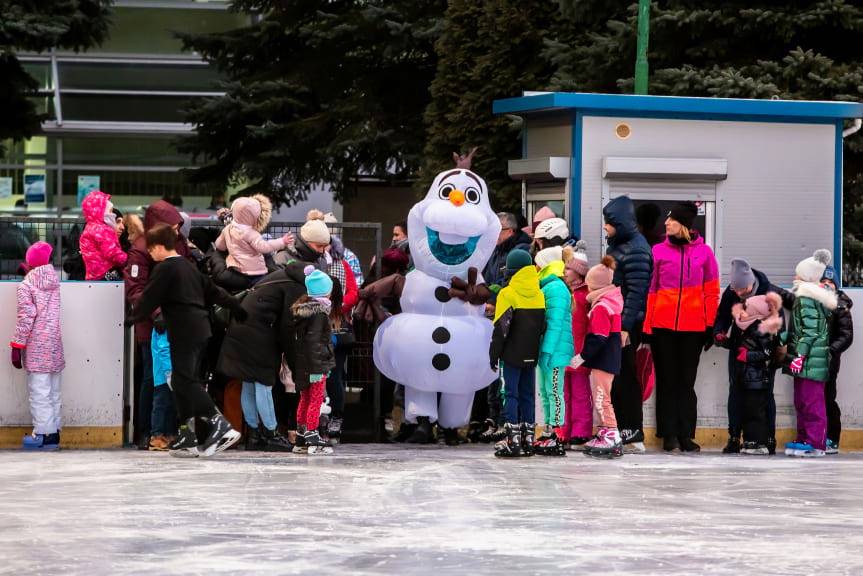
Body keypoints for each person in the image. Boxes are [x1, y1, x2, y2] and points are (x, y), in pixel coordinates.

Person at [127, 223, 246, 458]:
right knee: (183, 382)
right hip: (200, 330)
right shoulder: (188, 266)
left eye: (151, 248)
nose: (150, 253)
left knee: (184, 381)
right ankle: (187, 436)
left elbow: (149, 298)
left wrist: (131, 319)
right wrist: (237, 307)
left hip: (184, 331)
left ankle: (218, 423)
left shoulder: (165, 269)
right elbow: (213, 291)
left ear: (161, 247)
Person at [643, 202, 719, 453]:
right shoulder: (658, 252)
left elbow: (711, 292)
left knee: (686, 382)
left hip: (693, 329)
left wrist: (710, 325)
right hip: (663, 328)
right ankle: (668, 434)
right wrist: (648, 325)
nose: (666, 223)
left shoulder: (705, 253)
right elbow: (650, 291)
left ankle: (686, 434)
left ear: (684, 224)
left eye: (672, 220)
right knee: (666, 381)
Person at [124, 200, 191, 450]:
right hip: (152, 326)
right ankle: (148, 432)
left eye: (178, 227)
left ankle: (169, 431)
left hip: (178, 323)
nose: (176, 231)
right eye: (172, 227)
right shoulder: (141, 250)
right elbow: (136, 289)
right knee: (153, 379)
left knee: (173, 380)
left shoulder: (179, 242)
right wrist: (157, 312)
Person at [714, 259, 792, 455]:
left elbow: (780, 326)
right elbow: (723, 315)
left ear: (752, 282)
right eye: (736, 289)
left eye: (743, 289)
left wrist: (775, 354)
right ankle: (734, 437)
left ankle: (768, 438)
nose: (739, 293)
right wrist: (719, 332)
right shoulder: (731, 292)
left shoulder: (768, 293)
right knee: (736, 392)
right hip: (739, 351)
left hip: (763, 353)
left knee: (763, 396)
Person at [602, 196, 653, 453]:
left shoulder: (636, 249)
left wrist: (624, 326)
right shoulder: (617, 246)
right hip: (613, 318)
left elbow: (636, 293)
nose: (605, 227)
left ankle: (632, 432)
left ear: (620, 223)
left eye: (608, 223)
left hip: (627, 323)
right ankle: (618, 430)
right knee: (614, 376)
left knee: (626, 377)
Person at [488, 249, 545, 458]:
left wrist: (493, 355)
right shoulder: (538, 292)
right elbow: (542, 326)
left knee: (509, 394)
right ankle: (528, 439)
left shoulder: (507, 293)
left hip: (511, 354)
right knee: (528, 395)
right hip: (531, 353)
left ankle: (512, 440)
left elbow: (501, 330)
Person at [10, 242, 64, 451]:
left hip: (36, 345)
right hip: (54, 344)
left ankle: (44, 434)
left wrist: (17, 345)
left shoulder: (25, 286)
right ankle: (55, 430)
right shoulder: (54, 282)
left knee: (39, 391)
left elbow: (27, 317)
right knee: (54, 390)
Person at [784, 249, 838, 458]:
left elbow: (810, 332)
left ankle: (815, 442)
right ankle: (804, 438)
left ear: (807, 278)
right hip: (807, 361)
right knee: (802, 401)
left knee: (812, 402)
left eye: (798, 274)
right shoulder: (804, 297)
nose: (794, 277)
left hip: (811, 362)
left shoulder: (807, 299)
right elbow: (799, 330)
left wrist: (800, 356)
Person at [580, 256, 625, 458]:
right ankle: (606, 432)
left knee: (601, 398)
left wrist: (582, 356)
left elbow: (598, 338)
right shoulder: (610, 303)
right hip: (607, 359)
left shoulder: (600, 307)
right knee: (602, 397)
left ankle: (612, 433)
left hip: (604, 360)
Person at [533, 246, 574, 456]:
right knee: (545, 392)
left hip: (555, 351)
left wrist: (547, 350)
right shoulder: (547, 286)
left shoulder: (555, 288)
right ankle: (549, 430)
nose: (535, 265)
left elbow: (555, 324)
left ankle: (557, 434)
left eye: (537, 262)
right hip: (547, 349)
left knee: (554, 392)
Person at [291, 266, 337, 455]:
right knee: (315, 400)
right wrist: (320, 366)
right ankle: (312, 434)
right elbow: (315, 342)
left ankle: (301, 436)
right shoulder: (319, 314)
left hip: (303, 365)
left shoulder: (304, 312)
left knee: (305, 398)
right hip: (315, 366)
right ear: (324, 291)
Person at [730, 293, 783, 455]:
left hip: (758, 379)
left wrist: (747, 356)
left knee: (756, 412)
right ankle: (750, 440)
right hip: (749, 377)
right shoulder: (749, 327)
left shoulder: (762, 328)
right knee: (748, 410)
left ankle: (759, 442)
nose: (743, 312)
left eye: (747, 309)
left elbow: (767, 352)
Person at [214, 195, 292, 287]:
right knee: (264, 284)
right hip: (255, 271)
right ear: (253, 216)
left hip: (236, 268)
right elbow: (264, 247)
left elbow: (219, 245)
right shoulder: (251, 233)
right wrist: (282, 241)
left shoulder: (227, 229)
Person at [562, 241, 593, 450]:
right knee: (563, 394)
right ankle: (564, 431)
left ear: (578, 272)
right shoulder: (563, 292)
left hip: (580, 352)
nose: (564, 272)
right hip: (563, 351)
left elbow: (590, 326)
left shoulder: (586, 295)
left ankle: (581, 432)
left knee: (580, 393)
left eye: (567, 269)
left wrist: (586, 352)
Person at [820, 265, 853, 454]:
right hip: (812, 361)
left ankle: (832, 438)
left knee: (827, 398)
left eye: (830, 282)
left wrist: (831, 350)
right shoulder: (813, 302)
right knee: (812, 400)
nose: (826, 285)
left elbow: (846, 335)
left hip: (829, 362)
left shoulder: (840, 305)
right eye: (823, 281)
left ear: (836, 286)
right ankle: (815, 435)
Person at [79, 190, 128, 281]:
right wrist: (128, 260)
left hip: (93, 275)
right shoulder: (102, 230)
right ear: (101, 212)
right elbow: (112, 252)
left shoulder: (89, 228)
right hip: (105, 274)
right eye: (110, 211)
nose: (112, 214)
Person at [148, 316, 177, 451]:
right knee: (161, 404)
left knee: (170, 405)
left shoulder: (168, 321)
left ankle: (168, 434)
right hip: (163, 373)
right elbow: (164, 348)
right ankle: (156, 436)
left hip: (167, 371)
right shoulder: (163, 324)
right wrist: (168, 372)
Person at [483, 212, 532, 289]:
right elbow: (487, 278)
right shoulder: (496, 249)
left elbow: (513, 281)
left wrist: (493, 293)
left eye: (498, 229)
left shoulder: (521, 251)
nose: (494, 233)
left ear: (510, 231)